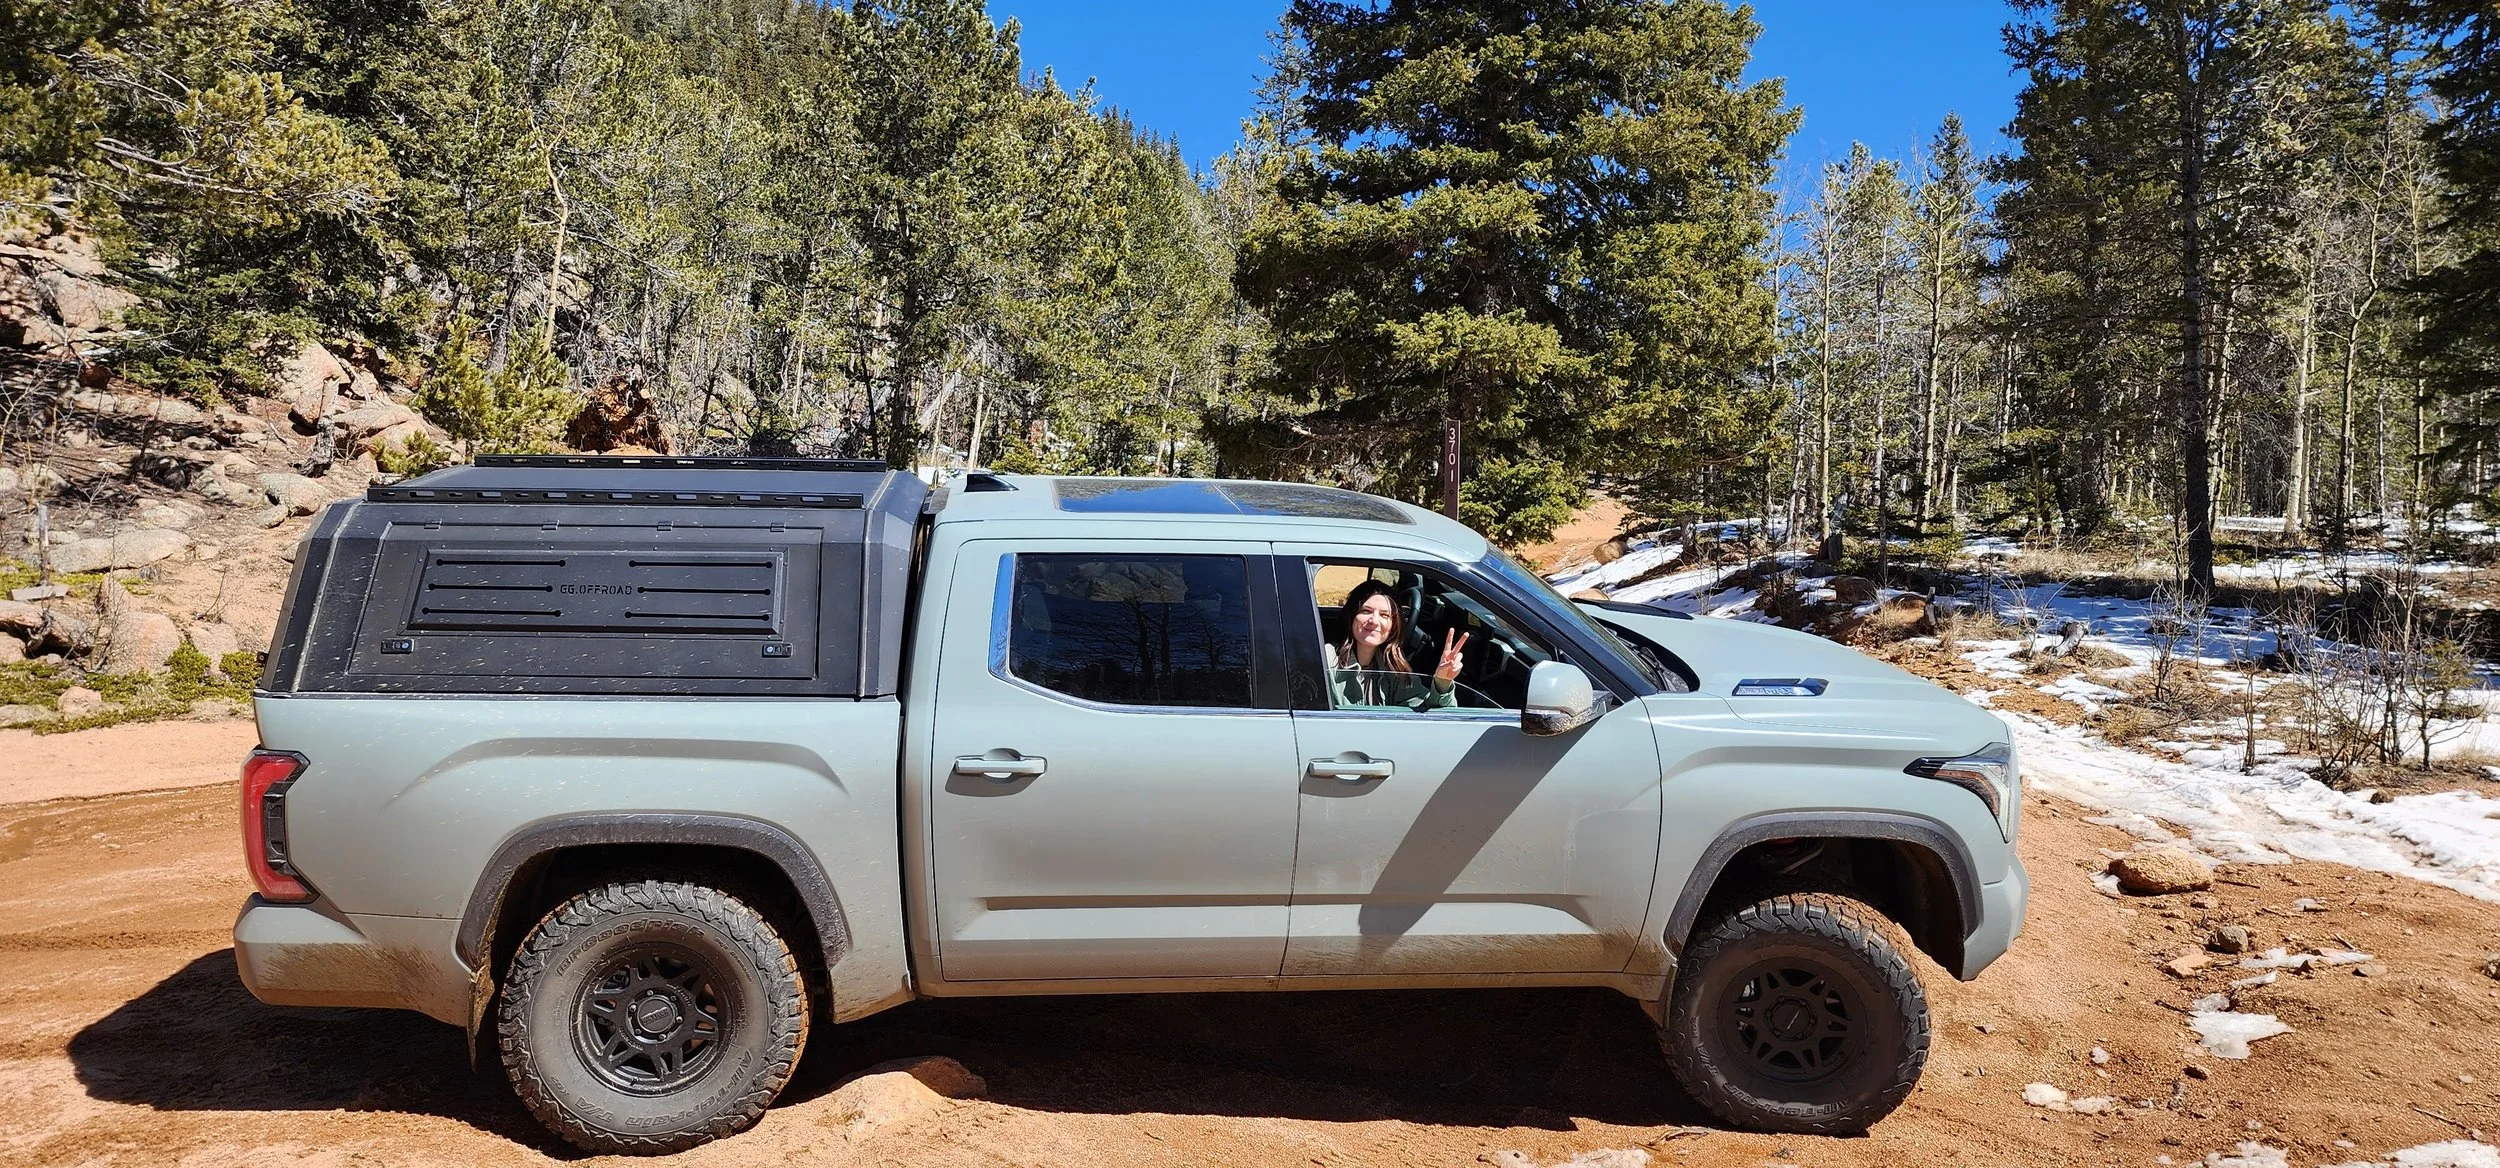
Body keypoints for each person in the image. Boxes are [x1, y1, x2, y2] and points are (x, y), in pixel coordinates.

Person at [1325, 579, 1469, 710]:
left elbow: (1431, 716)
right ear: (1351, 616)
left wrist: (1442, 682)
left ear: (1393, 626)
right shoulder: (1326, 660)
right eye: (1366, 611)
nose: (1374, 621)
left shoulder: (1394, 669)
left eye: (1384, 615)